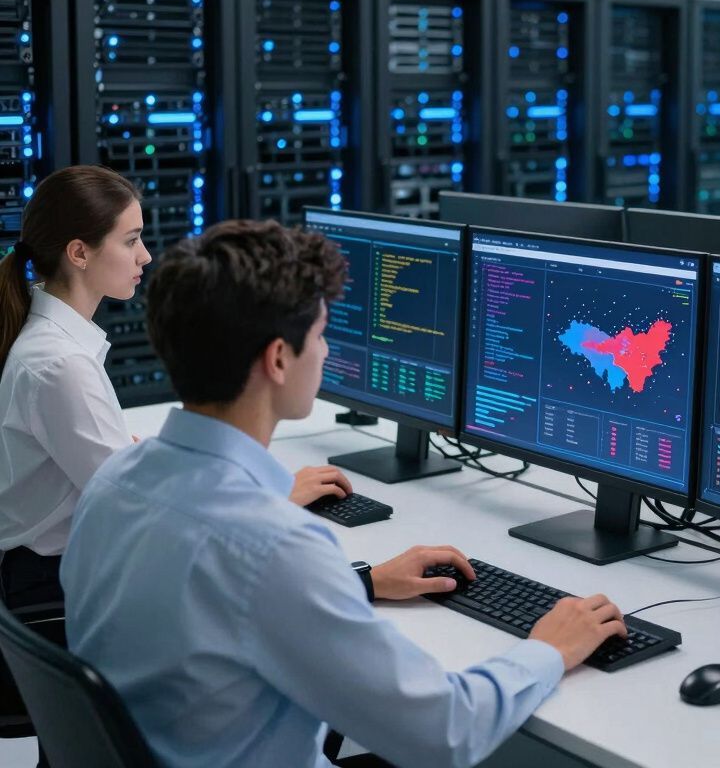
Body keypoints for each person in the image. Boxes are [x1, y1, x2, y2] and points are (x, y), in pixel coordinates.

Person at [61, 219, 627, 768]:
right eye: (319, 335)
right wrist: (550, 648)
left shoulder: (114, 482)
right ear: (278, 359)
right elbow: (446, 734)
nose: (327, 352)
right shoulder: (274, 547)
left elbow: (211, 612)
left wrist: (361, 583)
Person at [0, 166, 347, 611]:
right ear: (79, 253)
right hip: (58, 590)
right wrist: (276, 496)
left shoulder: (53, 343)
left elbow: (116, 477)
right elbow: (147, 511)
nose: (145, 256)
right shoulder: (59, 364)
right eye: (130, 241)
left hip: (57, 572)